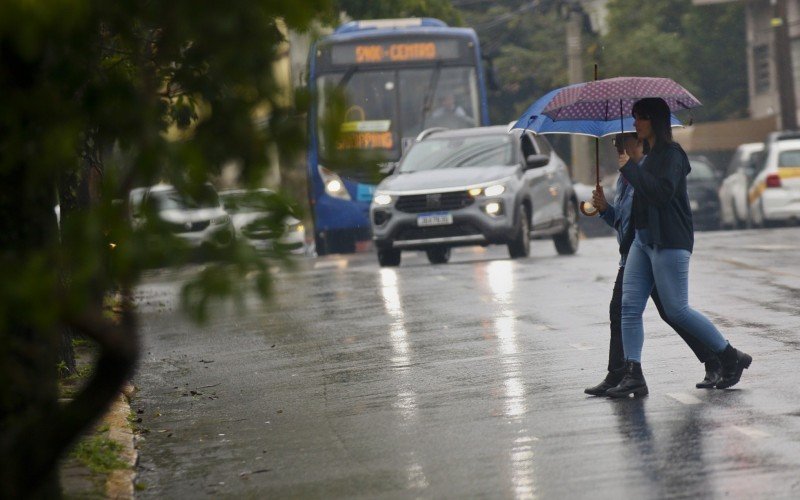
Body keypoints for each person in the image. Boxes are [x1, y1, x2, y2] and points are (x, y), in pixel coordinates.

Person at [605, 98, 752, 398]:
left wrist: (631, 169)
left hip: (669, 241)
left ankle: (729, 355)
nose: (634, 124)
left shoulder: (672, 155)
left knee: (676, 310)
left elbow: (662, 193)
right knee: (628, 308)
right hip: (643, 241)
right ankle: (634, 374)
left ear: (654, 120)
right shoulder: (647, 156)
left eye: (640, 118)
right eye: (633, 117)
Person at [584, 133, 722, 397]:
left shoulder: (646, 172)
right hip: (633, 255)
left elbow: (655, 208)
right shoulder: (625, 179)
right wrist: (604, 209)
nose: (616, 147)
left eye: (620, 142)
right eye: (614, 143)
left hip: (652, 253)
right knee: (628, 312)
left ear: (636, 141)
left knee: (671, 312)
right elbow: (622, 221)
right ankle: (622, 372)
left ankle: (716, 359)